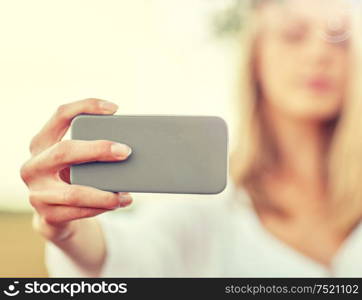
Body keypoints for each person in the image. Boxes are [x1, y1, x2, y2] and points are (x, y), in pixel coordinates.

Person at [20, 0, 362, 277]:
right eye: (293, 34)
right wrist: (64, 228)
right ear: (255, 55)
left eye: (340, 38)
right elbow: (120, 258)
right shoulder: (207, 210)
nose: (320, 53)